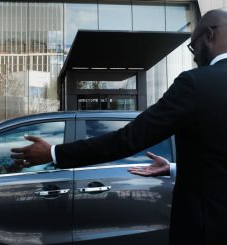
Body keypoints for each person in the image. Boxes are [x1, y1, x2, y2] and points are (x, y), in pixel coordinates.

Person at [12, 9, 227, 244]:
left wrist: (54, 152)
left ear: (209, 35)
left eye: (193, 46)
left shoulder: (196, 83)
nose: (194, 56)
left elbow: (127, 139)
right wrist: (174, 168)